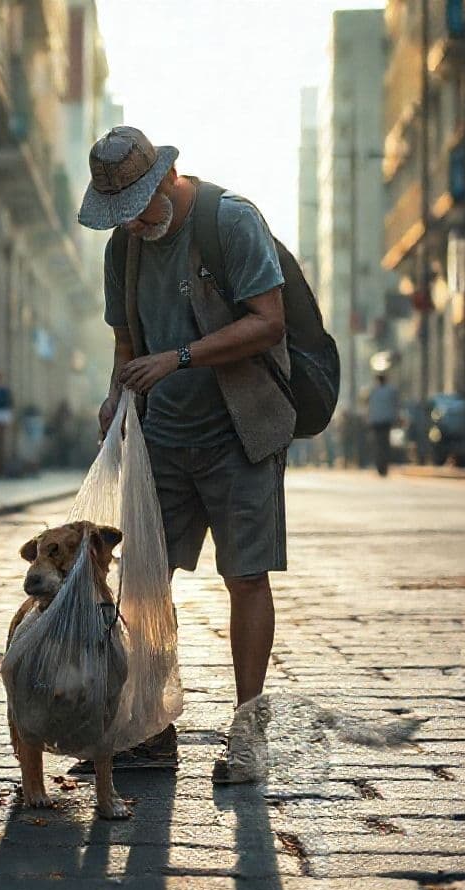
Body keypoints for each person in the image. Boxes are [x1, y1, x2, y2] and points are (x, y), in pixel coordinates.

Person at [78, 126, 290, 776]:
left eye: (140, 205)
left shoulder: (230, 221)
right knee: (145, 581)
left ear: (169, 179)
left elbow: (268, 321)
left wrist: (181, 358)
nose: (134, 222)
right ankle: (148, 730)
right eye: (121, 214)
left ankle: (247, 736)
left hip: (240, 432)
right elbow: (125, 343)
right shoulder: (126, 249)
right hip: (162, 440)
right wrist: (116, 396)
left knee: (246, 575)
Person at [367, 373, 399, 477]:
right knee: (385, 445)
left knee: (378, 445)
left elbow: (370, 407)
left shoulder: (373, 391)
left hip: (376, 421)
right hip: (386, 421)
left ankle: (380, 467)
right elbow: (395, 405)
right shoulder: (391, 391)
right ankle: (384, 467)